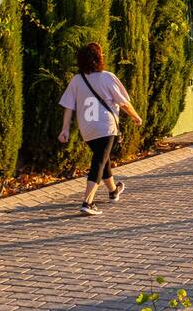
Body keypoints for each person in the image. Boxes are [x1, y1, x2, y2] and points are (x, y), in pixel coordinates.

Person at [58, 42, 142, 216]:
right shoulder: (107, 77)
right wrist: (135, 116)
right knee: (99, 161)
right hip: (106, 126)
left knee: (102, 158)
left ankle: (113, 191)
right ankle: (88, 202)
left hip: (87, 130)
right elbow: (124, 103)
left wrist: (65, 129)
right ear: (98, 58)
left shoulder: (77, 80)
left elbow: (68, 106)